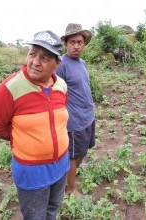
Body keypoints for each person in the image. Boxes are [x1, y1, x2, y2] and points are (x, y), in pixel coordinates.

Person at [0, 30, 69, 220]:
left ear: (57, 63)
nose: (35, 61)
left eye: (44, 57)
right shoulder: (10, 88)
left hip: (61, 165)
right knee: (35, 216)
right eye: (32, 53)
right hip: (32, 172)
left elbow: (60, 118)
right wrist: (21, 137)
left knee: (52, 210)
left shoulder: (61, 85)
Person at [56, 23, 95, 196]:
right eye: (72, 42)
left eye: (79, 42)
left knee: (83, 149)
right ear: (66, 44)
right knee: (72, 155)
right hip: (74, 119)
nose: (76, 46)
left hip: (88, 115)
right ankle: (71, 188)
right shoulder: (61, 65)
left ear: (84, 44)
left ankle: (76, 166)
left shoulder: (83, 63)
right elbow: (57, 92)